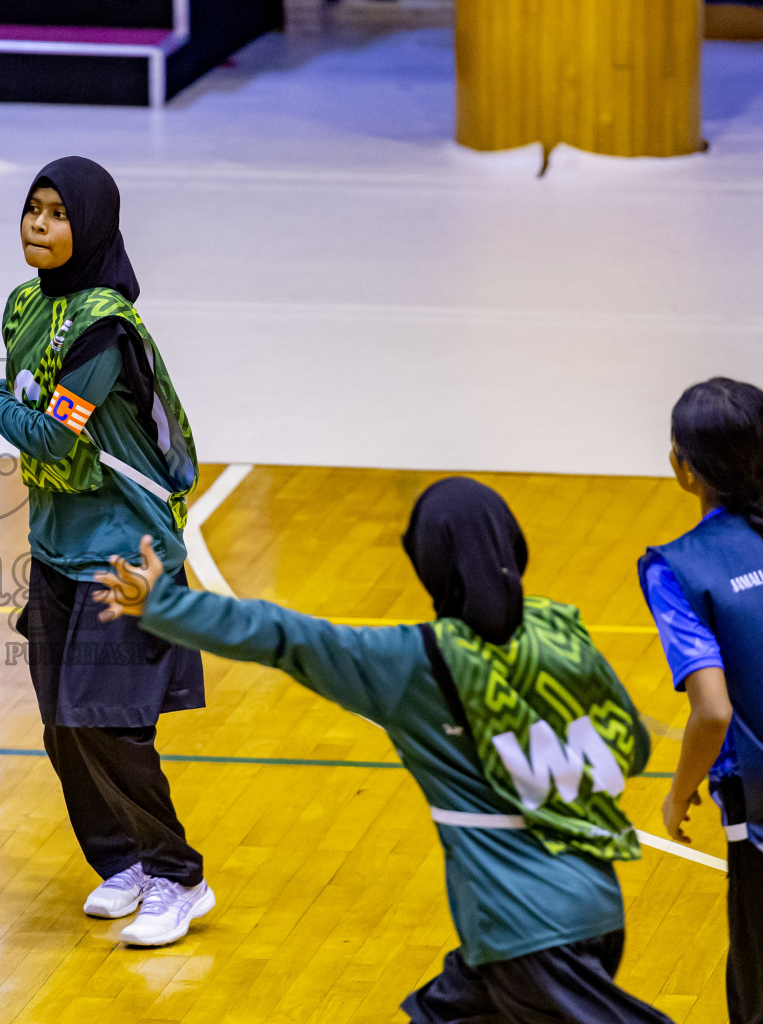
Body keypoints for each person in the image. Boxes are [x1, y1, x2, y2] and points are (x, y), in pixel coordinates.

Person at [94, 477, 675, 1022]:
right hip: (591, 906)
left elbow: (286, 637)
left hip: (527, 930)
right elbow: (635, 749)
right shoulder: (559, 632)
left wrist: (165, 605)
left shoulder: (415, 662)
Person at [0, 156, 212, 947]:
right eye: (32, 209)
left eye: (58, 213)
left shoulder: (103, 327)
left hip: (123, 551)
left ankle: (180, 877)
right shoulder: (22, 304)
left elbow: (44, 430)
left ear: (93, 226)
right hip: (55, 545)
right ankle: (122, 862)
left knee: (111, 725)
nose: (39, 224)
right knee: (63, 726)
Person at [640, 377, 763, 1023]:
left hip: (759, 808)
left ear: (682, 468)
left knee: (755, 991)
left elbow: (713, 711)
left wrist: (679, 788)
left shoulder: (678, 568)